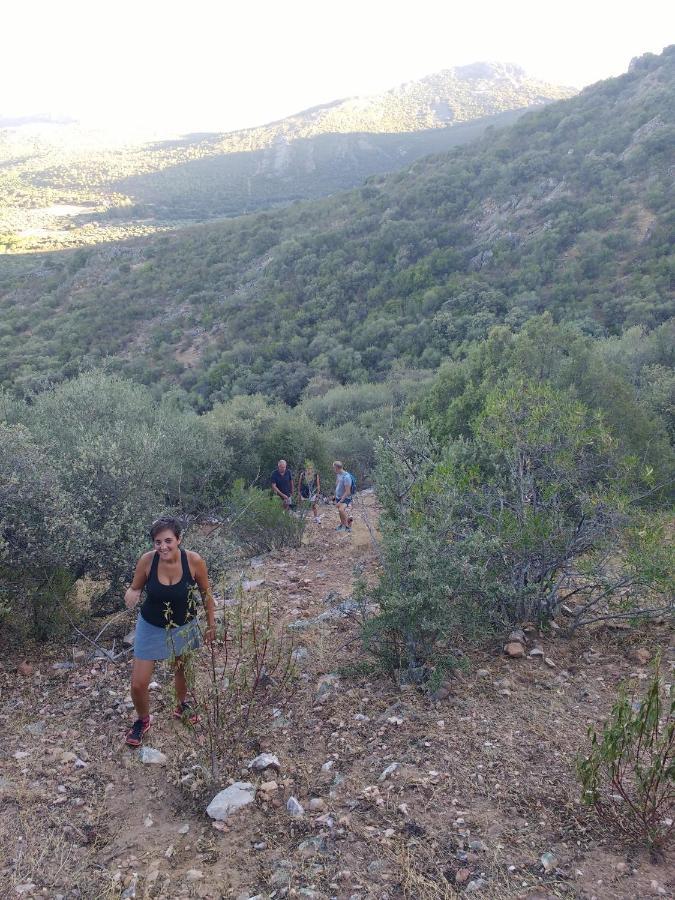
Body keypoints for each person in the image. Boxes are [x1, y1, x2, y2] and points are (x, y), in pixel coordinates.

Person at [123, 516, 215, 746]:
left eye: (168, 541)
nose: (162, 546)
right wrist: (131, 594)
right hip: (151, 625)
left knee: (182, 669)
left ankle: (182, 705)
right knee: (138, 683)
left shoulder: (194, 561)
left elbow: (206, 593)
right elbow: (135, 587)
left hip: (184, 625)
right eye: (157, 542)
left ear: (178, 539)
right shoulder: (147, 561)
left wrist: (212, 624)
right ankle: (143, 720)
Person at [333, 460, 353, 532]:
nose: (333, 469)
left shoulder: (346, 477)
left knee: (341, 510)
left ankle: (347, 526)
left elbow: (348, 491)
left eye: (334, 468)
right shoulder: (338, 474)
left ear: (337, 467)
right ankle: (342, 525)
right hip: (338, 496)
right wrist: (335, 496)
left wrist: (340, 501)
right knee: (340, 511)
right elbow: (337, 485)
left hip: (345, 498)